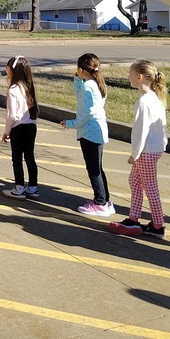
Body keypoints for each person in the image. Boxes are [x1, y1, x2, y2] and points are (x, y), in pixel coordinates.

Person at [110, 59, 168, 238]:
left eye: (130, 74)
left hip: (146, 151)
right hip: (151, 149)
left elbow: (141, 132)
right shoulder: (153, 98)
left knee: (150, 188)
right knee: (135, 182)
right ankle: (133, 219)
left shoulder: (144, 102)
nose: (128, 76)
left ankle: (158, 225)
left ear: (140, 77)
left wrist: (134, 154)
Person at [62, 53, 113, 217]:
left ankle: (100, 203)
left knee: (93, 170)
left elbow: (86, 114)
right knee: (97, 167)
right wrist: (77, 79)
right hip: (97, 131)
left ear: (81, 69)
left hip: (90, 133)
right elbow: (81, 98)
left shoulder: (88, 87)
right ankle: (105, 201)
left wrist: (70, 124)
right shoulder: (96, 83)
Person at [1, 55, 40, 201]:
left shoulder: (13, 90)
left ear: (12, 70)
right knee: (30, 157)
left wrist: (7, 131)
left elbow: (12, 115)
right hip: (31, 126)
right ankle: (33, 188)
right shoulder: (28, 86)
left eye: (7, 66)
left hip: (18, 128)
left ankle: (19, 188)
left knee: (17, 158)